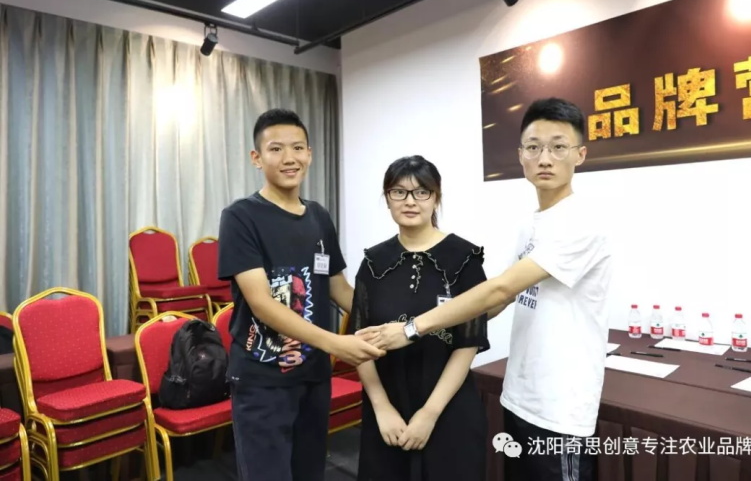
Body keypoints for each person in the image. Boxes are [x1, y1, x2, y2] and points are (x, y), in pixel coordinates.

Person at [359, 98, 613, 481]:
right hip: (520, 396)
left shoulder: (582, 222)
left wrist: (412, 328)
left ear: (580, 154)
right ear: (521, 155)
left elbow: (499, 290)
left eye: (558, 147)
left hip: (560, 406)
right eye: (534, 147)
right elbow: (499, 300)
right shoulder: (533, 225)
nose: (545, 158)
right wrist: (454, 319)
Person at [217, 108, 384, 481]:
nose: (289, 158)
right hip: (262, 380)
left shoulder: (319, 216)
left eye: (297, 148)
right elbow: (261, 303)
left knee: (309, 472)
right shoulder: (241, 217)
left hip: (313, 375)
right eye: (276, 149)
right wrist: (336, 343)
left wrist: (390, 319)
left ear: (309, 153)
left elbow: (338, 287)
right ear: (257, 158)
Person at [349, 155, 490, 481]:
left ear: (436, 197)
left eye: (421, 192)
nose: (410, 201)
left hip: (448, 404)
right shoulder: (373, 262)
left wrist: (430, 413)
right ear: (387, 198)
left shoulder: (464, 259)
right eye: (399, 192)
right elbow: (360, 342)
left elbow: (467, 344)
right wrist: (382, 407)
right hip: (388, 405)